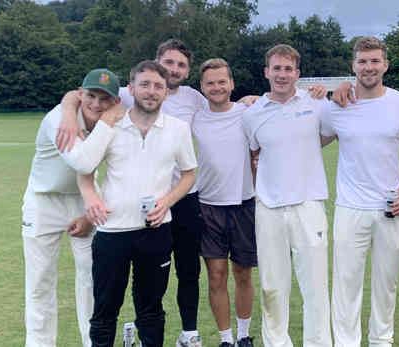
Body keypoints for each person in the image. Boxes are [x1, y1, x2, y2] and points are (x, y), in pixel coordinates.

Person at [78, 60, 197, 347]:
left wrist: (166, 202)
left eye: (158, 86)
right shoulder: (110, 125)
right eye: (144, 84)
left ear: (166, 93)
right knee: (105, 311)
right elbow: (85, 168)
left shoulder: (178, 129)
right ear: (131, 89)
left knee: (151, 310)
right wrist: (91, 197)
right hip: (111, 232)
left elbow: (189, 174)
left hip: (155, 231)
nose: (151, 91)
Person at [321, 37, 399, 347]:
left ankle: (381, 341)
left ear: (385, 65)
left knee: (385, 284)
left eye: (375, 61)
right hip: (350, 208)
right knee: (346, 285)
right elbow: (313, 141)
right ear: (353, 66)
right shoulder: (336, 106)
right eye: (362, 61)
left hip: (391, 207)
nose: (369, 67)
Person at [21, 68, 124, 347]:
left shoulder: (114, 112)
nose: (96, 104)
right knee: (40, 280)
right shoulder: (59, 119)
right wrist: (72, 109)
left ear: (115, 101)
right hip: (43, 201)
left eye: (105, 99)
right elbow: (82, 162)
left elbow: (148, 92)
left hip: (84, 200)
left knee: (92, 276)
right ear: (80, 94)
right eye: (91, 96)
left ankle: (94, 342)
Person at [242, 44, 332, 347]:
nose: (282, 75)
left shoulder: (316, 103)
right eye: (276, 68)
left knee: (316, 288)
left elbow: (328, 134)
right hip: (268, 207)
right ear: (266, 72)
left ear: (298, 73)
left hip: (308, 204)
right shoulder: (252, 114)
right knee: (273, 287)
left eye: (288, 69)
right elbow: (254, 154)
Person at [192, 58, 256, 347]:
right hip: (208, 206)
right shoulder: (195, 117)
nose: (216, 87)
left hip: (244, 204)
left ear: (231, 83)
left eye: (221, 81)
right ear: (202, 87)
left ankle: (244, 336)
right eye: (210, 83)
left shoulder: (249, 113)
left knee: (242, 273)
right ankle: (226, 339)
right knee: (216, 276)